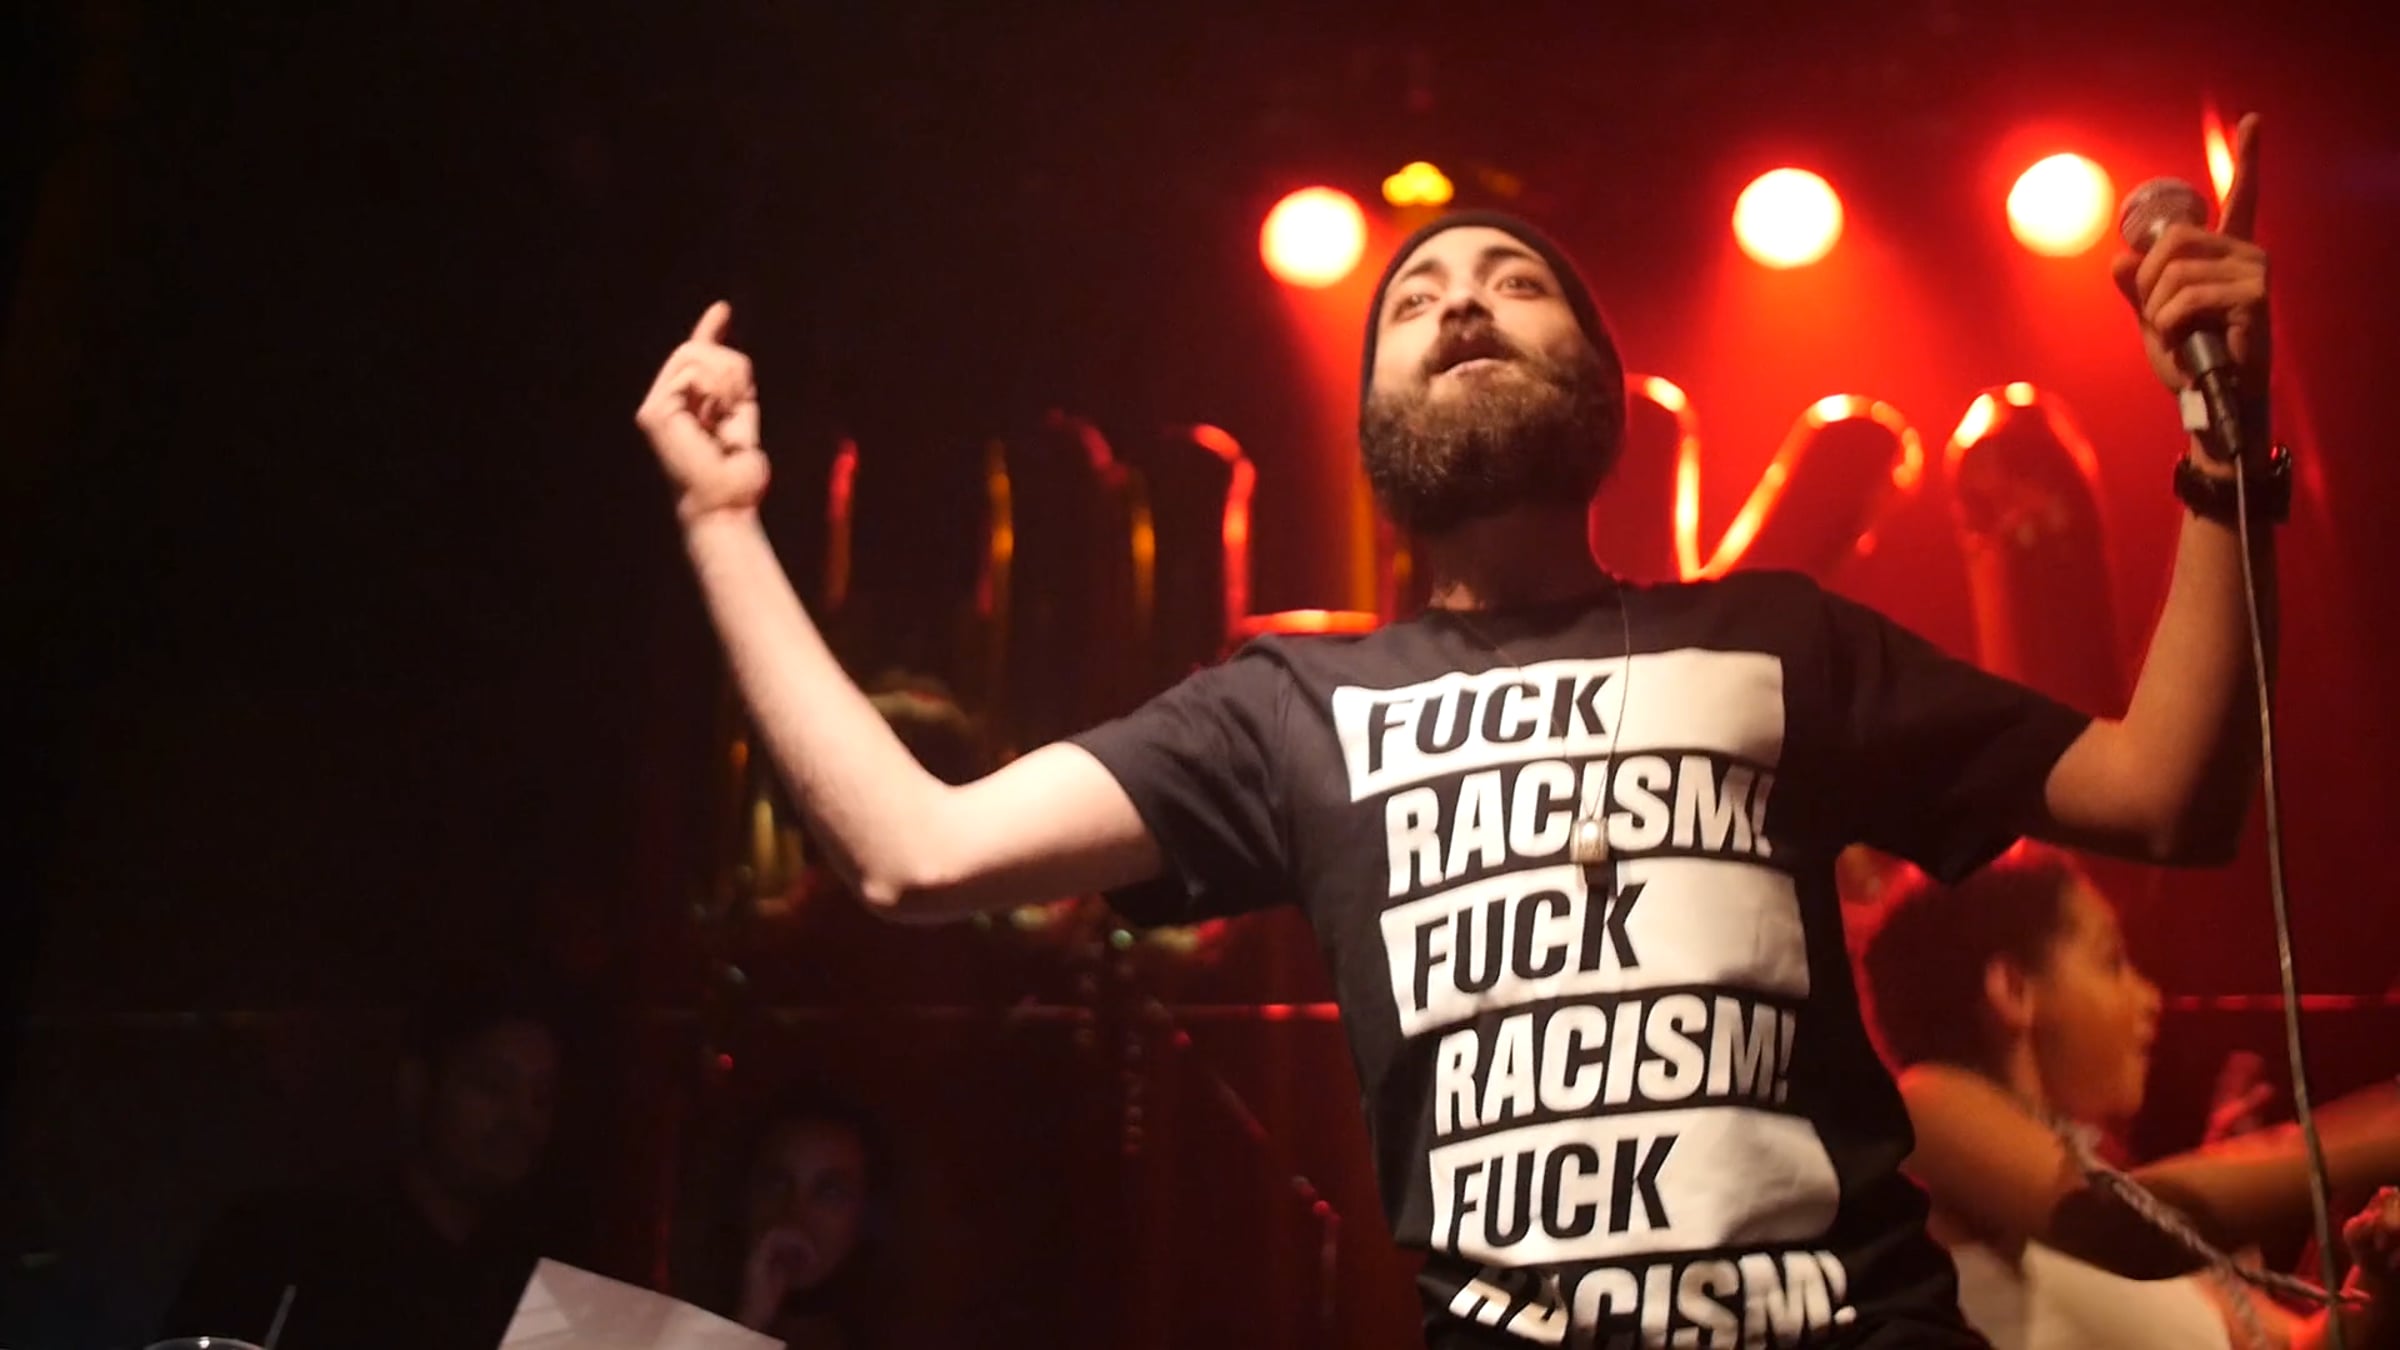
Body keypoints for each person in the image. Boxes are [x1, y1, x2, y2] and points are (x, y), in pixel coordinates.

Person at [632, 114, 2286, 1347]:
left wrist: (2226, 453)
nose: (1465, 304)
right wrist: (721, 523)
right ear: (1370, 419)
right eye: (1416, 297)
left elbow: (2168, 792)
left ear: (1601, 380)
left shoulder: (1778, 636)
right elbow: (913, 851)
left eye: (1516, 283)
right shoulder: (1290, 710)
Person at [1856, 842, 2400, 1349]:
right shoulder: (1924, 1103)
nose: (2148, 997)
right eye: (2111, 960)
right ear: (2013, 989)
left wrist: (2380, 1275)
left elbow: (2304, 1343)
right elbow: (2111, 1223)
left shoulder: (2101, 1180)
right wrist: (2379, 1132)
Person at [160, 979, 569, 1350]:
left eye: (541, 1098)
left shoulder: (536, 1284)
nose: (521, 1119)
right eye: (492, 1085)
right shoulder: (284, 1242)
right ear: (418, 1085)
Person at [680, 1084, 889, 1350]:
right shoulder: (679, 1323)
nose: (795, 1216)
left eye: (830, 1193)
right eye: (776, 1186)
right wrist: (750, 1320)